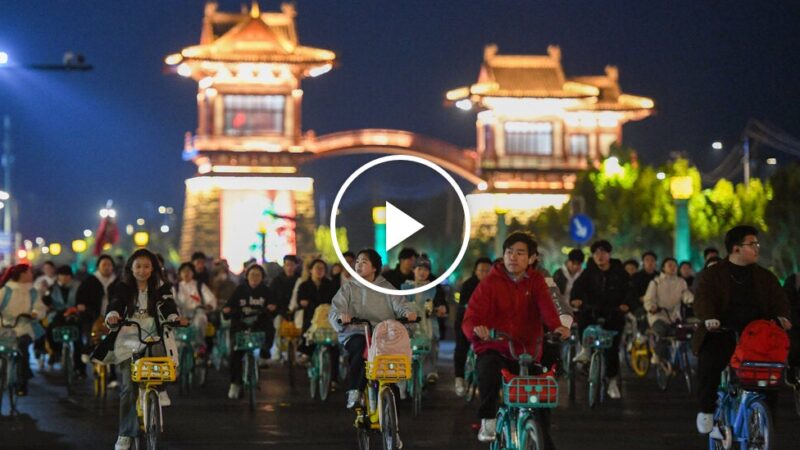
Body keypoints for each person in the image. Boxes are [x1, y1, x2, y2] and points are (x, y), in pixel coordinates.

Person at [462, 232, 568, 445]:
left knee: (541, 397)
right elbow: (471, 317)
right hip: (495, 346)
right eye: (509, 252)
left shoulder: (536, 281)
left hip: (527, 351)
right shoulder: (490, 283)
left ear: (531, 258)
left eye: (520, 253)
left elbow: (548, 309)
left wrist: (557, 327)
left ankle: (541, 441)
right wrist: (477, 329)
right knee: (488, 370)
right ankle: (489, 419)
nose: (513, 257)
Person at [693, 226, 791, 434]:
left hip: (756, 336)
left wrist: (782, 317)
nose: (757, 248)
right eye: (752, 244)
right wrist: (709, 318)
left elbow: (779, 300)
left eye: (757, 244)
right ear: (735, 249)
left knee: (768, 373)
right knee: (709, 362)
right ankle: (706, 410)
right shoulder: (713, 274)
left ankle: (765, 423)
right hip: (722, 331)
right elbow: (702, 299)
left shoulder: (765, 276)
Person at [100, 249, 186, 450]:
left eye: (147, 266)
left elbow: (169, 305)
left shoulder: (161, 286)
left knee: (164, 363)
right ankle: (125, 434)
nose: (142, 270)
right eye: (138, 266)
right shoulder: (122, 287)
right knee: (129, 387)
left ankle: (160, 389)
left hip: (154, 333)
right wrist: (112, 314)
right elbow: (115, 303)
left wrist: (174, 318)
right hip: (129, 335)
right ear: (131, 268)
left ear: (153, 268)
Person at [328, 248, 416, 409]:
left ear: (375, 267)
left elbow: (400, 304)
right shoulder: (349, 288)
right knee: (363, 346)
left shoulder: (386, 287)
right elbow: (335, 310)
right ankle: (354, 390)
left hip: (382, 333)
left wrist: (408, 313)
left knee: (395, 351)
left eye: (364, 262)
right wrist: (342, 317)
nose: (359, 265)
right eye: (357, 262)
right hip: (356, 331)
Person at [570, 239, 630, 400]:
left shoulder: (620, 272)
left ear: (609, 254)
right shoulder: (588, 272)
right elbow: (577, 289)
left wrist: (626, 304)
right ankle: (585, 350)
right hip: (592, 311)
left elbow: (629, 291)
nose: (599, 256)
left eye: (603, 252)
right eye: (596, 253)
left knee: (612, 349)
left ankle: (612, 382)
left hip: (614, 313)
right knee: (583, 318)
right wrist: (576, 299)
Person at [222, 263, 274, 399]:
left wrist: (272, 308)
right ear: (247, 276)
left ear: (262, 277)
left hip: (259, 326)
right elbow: (228, 307)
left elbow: (274, 306)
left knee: (269, 329)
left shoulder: (267, 291)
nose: (255, 278)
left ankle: (264, 353)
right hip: (240, 326)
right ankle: (235, 383)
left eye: (258, 275)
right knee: (235, 354)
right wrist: (227, 310)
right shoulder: (240, 290)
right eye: (252, 275)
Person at [0, 264, 46, 396]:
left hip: (24, 327)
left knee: (22, 349)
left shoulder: (33, 292)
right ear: (22, 274)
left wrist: (36, 314)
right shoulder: (6, 290)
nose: (32, 274)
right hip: (3, 327)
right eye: (29, 272)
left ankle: (22, 382)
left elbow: (40, 308)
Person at [77, 254, 120, 387]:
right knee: (88, 334)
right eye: (104, 265)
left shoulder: (118, 281)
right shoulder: (90, 280)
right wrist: (81, 305)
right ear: (98, 267)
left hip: (113, 316)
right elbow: (80, 297)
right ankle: (86, 351)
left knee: (113, 343)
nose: (107, 267)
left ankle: (112, 376)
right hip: (93, 314)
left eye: (109, 265)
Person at [401, 255, 445, 385]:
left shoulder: (433, 288)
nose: (422, 272)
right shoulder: (405, 288)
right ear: (413, 270)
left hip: (428, 325)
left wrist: (440, 309)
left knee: (431, 345)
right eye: (419, 268)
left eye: (426, 269)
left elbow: (440, 304)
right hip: (409, 326)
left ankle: (431, 371)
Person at [643, 258, 694, 365]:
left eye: (675, 265)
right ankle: (657, 354)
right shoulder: (656, 282)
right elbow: (648, 299)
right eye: (669, 265)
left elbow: (685, 294)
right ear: (663, 268)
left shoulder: (681, 282)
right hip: (658, 316)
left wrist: (693, 300)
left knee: (685, 332)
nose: (673, 267)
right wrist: (652, 307)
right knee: (663, 331)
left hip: (675, 316)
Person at [453, 257, 492, 397]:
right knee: (461, 346)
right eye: (481, 270)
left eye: (487, 270)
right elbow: (463, 303)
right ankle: (459, 378)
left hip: (487, 321)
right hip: (466, 319)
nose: (484, 273)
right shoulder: (468, 285)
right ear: (475, 271)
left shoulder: (494, 285)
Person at [43, 265, 84, 376]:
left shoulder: (78, 287)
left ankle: (79, 366)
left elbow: (82, 299)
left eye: (67, 275)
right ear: (58, 276)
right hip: (57, 314)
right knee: (51, 329)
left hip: (73, 314)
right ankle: (55, 352)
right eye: (62, 275)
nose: (65, 278)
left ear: (71, 276)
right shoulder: (52, 288)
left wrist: (78, 307)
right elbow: (46, 301)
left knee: (78, 337)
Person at [295, 258, 336, 353]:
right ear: (311, 270)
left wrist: (311, 303)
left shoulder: (330, 285)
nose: (319, 271)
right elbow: (301, 301)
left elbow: (334, 301)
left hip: (327, 319)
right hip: (309, 318)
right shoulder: (304, 285)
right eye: (317, 268)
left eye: (322, 268)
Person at [174, 262, 217, 350]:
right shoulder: (175, 287)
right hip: (181, 313)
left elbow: (211, 298)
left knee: (201, 319)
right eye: (184, 271)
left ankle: (199, 346)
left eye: (189, 271)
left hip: (197, 312)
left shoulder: (199, 285)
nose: (186, 273)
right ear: (180, 273)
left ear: (193, 273)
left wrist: (209, 305)